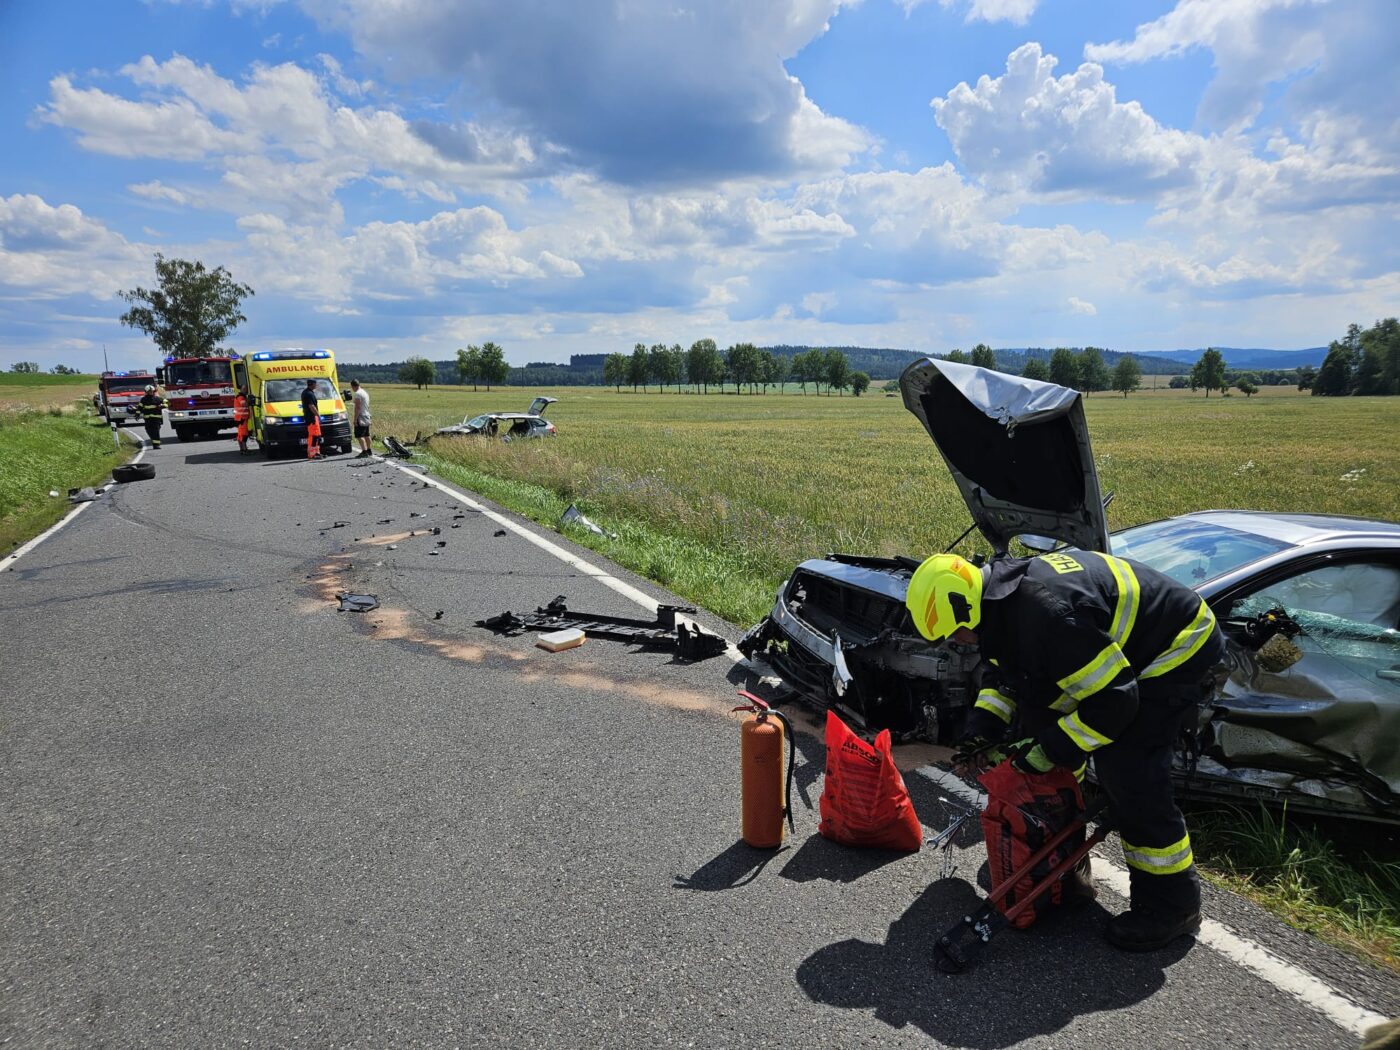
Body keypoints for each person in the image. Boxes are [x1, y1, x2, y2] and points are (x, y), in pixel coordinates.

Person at [906, 549, 1225, 952]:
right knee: (1045, 754)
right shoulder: (998, 605)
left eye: (955, 634)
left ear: (966, 609)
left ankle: (1171, 908)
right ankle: (1062, 873)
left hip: (1175, 647)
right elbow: (1007, 677)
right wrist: (981, 731)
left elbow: (1115, 700)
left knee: (1129, 772)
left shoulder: (1049, 616)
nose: (957, 643)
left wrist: (1050, 748)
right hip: (1109, 660)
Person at [135, 384, 167, 449]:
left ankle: (156, 445)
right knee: (148, 430)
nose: (151, 392)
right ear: (146, 392)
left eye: (151, 391)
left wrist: (162, 406)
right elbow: (139, 408)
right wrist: (137, 414)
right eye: (149, 391)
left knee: (155, 431)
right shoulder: (143, 399)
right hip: (147, 419)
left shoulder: (158, 398)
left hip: (156, 418)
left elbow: (167, 403)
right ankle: (154, 441)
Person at [301, 378, 322, 460]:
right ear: (312, 384)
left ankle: (316, 453)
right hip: (312, 418)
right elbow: (311, 406)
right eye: (315, 384)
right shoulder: (309, 394)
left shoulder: (306, 392)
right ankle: (313, 454)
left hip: (311, 418)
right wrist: (318, 415)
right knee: (314, 436)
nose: (316, 385)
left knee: (316, 436)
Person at [350, 379, 372, 458]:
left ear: (353, 386)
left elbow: (357, 407)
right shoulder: (364, 392)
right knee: (366, 434)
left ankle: (364, 451)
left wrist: (355, 419)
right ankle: (369, 450)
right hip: (366, 415)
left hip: (361, 416)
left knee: (359, 435)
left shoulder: (358, 394)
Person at [233, 386, 253, 455]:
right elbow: (243, 404)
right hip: (242, 418)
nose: (246, 391)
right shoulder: (240, 397)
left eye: (246, 389)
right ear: (242, 389)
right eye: (245, 389)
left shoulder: (240, 396)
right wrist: (250, 401)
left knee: (240, 435)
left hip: (240, 418)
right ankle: (244, 450)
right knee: (244, 434)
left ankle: (242, 449)